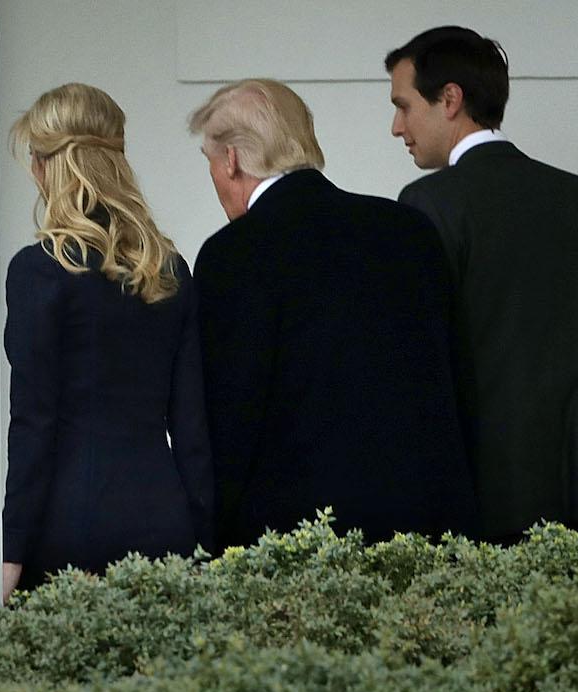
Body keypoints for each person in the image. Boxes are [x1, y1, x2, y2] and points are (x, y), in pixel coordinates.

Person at [187, 78, 477, 551]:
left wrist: (214, 544)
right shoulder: (407, 230)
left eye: (210, 163)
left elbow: (230, 418)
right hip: (424, 528)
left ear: (232, 160)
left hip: (298, 544)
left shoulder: (232, 255)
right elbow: (455, 381)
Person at [388, 26, 578, 547]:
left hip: (468, 512)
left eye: (403, 106)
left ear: (450, 100)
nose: (397, 127)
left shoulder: (428, 205)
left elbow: (414, 373)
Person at [1, 83, 214, 600]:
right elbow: (191, 428)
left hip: (69, 529)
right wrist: (205, 544)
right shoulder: (168, 268)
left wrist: (12, 550)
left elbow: (34, 423)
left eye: (34, 157)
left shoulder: (40, 271)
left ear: (52, 166)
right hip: (163, 520)